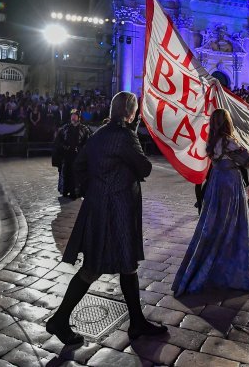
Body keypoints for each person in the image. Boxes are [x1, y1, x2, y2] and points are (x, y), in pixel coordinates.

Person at [46, 92, 166, 345]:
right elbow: (145, 167)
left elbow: (79, 165)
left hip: (100, 207)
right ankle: (60, 319)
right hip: (118, 209)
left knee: (123, 263)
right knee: (97, 267)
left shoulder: (98, 134)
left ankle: (136, 322)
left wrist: (96, 188)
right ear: (129, 113)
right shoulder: (125, 136)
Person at [172, 109, 249, 297]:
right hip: (230, 184)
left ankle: (208, 263)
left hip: (216, 183)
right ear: (227, 122)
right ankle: (228, 270)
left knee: (214, 222)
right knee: (232, 224)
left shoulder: (211, 142)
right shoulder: (229, 142)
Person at [54, 110, 92, 199]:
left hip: (78, 156)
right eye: (72, 115)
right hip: (67, 156)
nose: (73, 117)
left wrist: (79, 149)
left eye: (75, 116)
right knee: (67, 173)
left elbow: (88, 142)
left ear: (78, 117)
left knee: (76, 174)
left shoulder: (84, 129)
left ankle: (76, 192)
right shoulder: (65, 128)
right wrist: (65, 147)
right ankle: (65, 190)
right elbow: (59, 140)